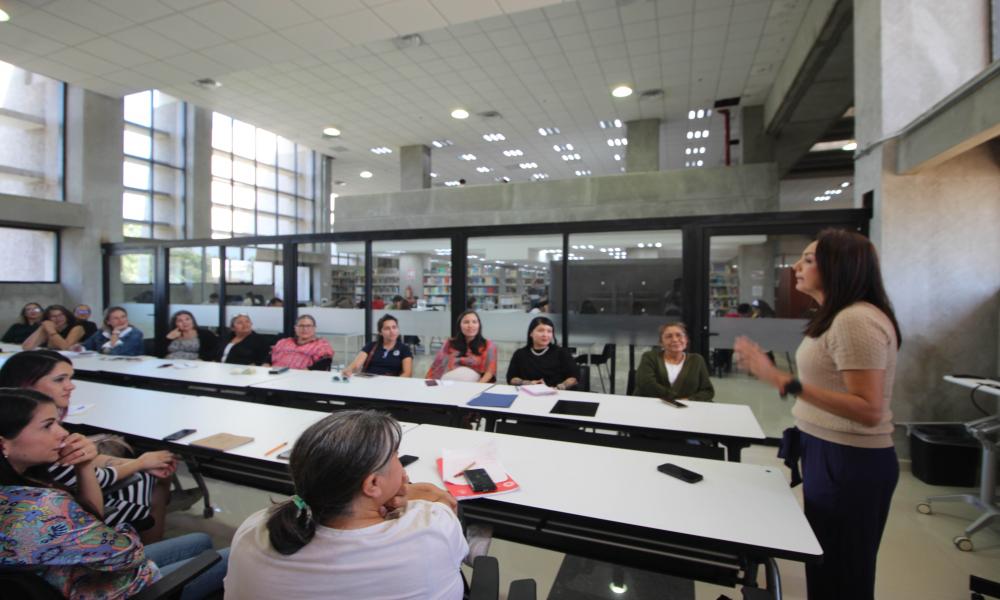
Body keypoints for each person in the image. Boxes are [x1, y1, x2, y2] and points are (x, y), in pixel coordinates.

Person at [733, 229, 901, 600]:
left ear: (839, 267)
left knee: (842, 573)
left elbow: (868, 409)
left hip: (850, 460)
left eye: (808, 259)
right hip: (827, 451)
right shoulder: (839, 316)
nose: (796, 266)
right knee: (826, 564)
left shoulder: (855, 320)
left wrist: (780, 378)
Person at [0, 387, 229, 599]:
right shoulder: (42, 507)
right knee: (234, 555)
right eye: (47, 425)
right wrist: (120, 530)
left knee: (201, 541)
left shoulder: (22, 487)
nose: (63, 433)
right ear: (3, 445)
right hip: (109, 588)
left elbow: (91, 522)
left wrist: (85, 465)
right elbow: (128, 555)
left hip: (66, 576)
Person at [224, 410, 465, 600]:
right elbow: (446, 502)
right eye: (395, 456)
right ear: (372, 484)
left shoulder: (254, 528)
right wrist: (412, 493)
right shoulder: (431, 528)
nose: (401, 467)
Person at [0, 350, 175, 542]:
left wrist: (126, 461)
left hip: (75, 513)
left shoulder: (27, 429)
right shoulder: (44, 499)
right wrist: (141, 463)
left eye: (70, 378)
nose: (71, 386)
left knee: (149, 468)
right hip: (86, 532)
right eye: (60, 380)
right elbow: (95, 505)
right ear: (27, 384)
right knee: (146, 478)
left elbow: (80, 459)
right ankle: (150, 542)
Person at [634, 322, 715, 401]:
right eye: (669, 336)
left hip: (686, 409)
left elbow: (707, 391)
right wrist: (675, 399)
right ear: (661, 342)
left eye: (679, 335)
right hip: (652, 407)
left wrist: (689, 400)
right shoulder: (650, 357)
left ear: (686, 340)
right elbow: (645, 384)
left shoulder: (697, 360)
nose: (675, 339)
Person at [506, 316, 578, 389]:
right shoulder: (520, 354)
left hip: (557, 394)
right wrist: (528, 383)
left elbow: (574, 378)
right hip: (527, 395)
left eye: (549, 331)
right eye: (541, 330)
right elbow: (511, 378)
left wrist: (556, 388)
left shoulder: (562, 353)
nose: (545, 335)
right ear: (531, 333)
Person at [425, 310, 497, 383]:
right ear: (460, 325)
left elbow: (490, 371)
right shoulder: (450, 343)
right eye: (466, 322)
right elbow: (437, 366)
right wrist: (429, 383)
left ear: (479, 325)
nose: (470, 326)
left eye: (474, 322)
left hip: (474, 387)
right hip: (447, 385)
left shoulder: (489, 345)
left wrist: (478, 387)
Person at [342, 314, 413, 377]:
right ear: (380, 332)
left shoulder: (404, 349)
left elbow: (407, 373)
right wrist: (349, 369)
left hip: (391, 385)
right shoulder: (371, 346)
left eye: (394, 327)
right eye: (387, 328)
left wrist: (395, 385)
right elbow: (356, 364)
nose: (392, 331)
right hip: (369, 383)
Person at [270, 315, 334, 371]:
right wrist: (265, 366)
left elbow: (326, 361)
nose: (305, 329)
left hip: (302, 378)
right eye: (301, 326)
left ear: (314, 328)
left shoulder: (321, 344)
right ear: (295, 328)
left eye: (308, 326)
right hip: (276, 374)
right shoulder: (284, 342)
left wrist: (308, 371)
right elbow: (270, 355)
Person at [21, 304, 86, 350]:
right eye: (53, 316)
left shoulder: (77, 327)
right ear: (48, 318)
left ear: (66, 315)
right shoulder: (48, 327)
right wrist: (42, 327)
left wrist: (52, 332)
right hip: (51, 357)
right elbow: (27, 347)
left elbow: (65, 347)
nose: (58, 318)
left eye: (61, 315)